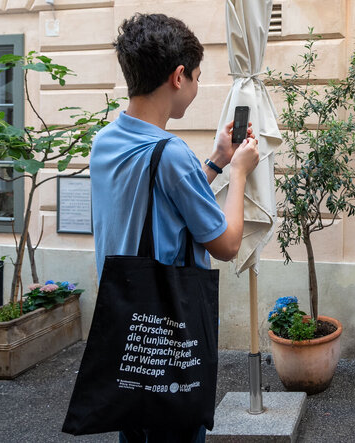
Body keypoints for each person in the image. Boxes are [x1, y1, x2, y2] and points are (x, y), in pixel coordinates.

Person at [90, 13, 259, 443]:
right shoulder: (172, 154)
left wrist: (219, 160)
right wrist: (239, 173)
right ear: (178, 76)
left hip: (127, 331)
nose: (198, 88)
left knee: (135, 430)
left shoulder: (105, 140)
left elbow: (160, 200)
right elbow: (227, 243)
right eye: (198, 77)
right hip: (167, 333)